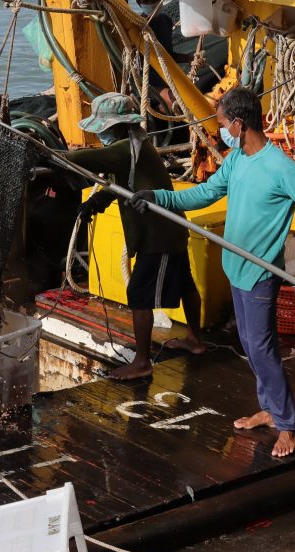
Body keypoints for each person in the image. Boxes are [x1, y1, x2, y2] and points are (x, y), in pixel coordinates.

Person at [129, 87, 295, 457]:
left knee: (262, 347)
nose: (221, 130)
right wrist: (159, 197)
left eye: (223, 123)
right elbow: (204, 193)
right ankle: (269, 409)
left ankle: (288, 425)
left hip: (258, 275)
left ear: (238, 124)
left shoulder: (280, 167)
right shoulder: (238, 159)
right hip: (234, 269)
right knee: (251, 345)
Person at [65, 92, 204, 381]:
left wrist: (50, 153)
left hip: (159, 233)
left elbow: (82, 158)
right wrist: (96, 202)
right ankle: (194, 339)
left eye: (103, 128)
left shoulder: (125, 148)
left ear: (117, 126)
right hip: (169, 226)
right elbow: (120, 184)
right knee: (185, 282)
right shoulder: (136, 146)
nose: (100, 133)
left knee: (138, 293)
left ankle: (142, 362)